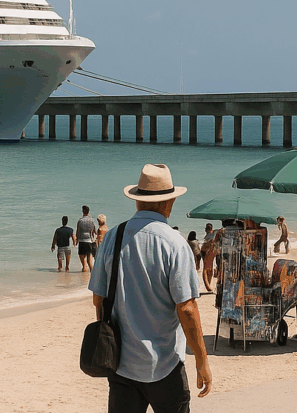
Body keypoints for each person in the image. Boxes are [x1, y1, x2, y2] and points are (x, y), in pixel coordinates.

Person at [88, 163, 212, 412]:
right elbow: (186, 309)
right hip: (165, 364)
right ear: (169, 203)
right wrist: (202, 360)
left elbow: (98, 299)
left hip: (121, 364)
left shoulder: (112, 236)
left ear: (137, 201)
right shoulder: (175, 244)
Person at [76, 205, 97, 272]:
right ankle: (91, 270)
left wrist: (77, 239)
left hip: (82, 240)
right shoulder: (91, 220)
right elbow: (94, 230)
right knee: (89, 257)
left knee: (81, 255)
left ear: (83, 211)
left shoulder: (80, 220)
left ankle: (84, 267)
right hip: (89, 240)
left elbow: (78, 230)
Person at [201, 223, 217, 292]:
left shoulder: (210, 234)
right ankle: (208, 285)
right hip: (208, 250)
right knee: (208, 268)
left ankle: (208, 284)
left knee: (207, 268)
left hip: (206, 250)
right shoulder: (214, 233)